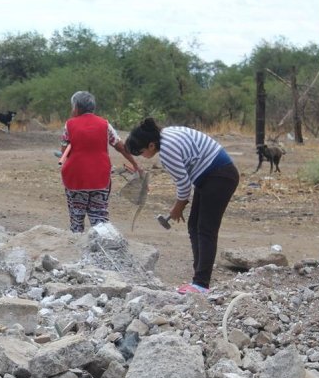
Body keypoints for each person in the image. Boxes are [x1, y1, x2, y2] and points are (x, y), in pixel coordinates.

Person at [125, 117, 239, 294]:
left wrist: (178, 207)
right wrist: (182, 203)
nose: (143, 157)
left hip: (219, 176)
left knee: (205, 229)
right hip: (210, 176)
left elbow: (183, 183)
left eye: (141, 153)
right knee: (194, 225)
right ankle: (198, 280)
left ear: (151, 146)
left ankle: (201, 284)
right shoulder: (166, 135)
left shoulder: (167, 150)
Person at [60, 91, 142, 232]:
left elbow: (64, 151)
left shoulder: (69, 125)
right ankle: (103, 247)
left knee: (76, 218)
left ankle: (77, 247)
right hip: (100, 179)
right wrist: (135, 165)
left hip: (76, 179)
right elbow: (121, 147)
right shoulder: (105, 125)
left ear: (77, 108)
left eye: (72, 106)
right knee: (99, 219)